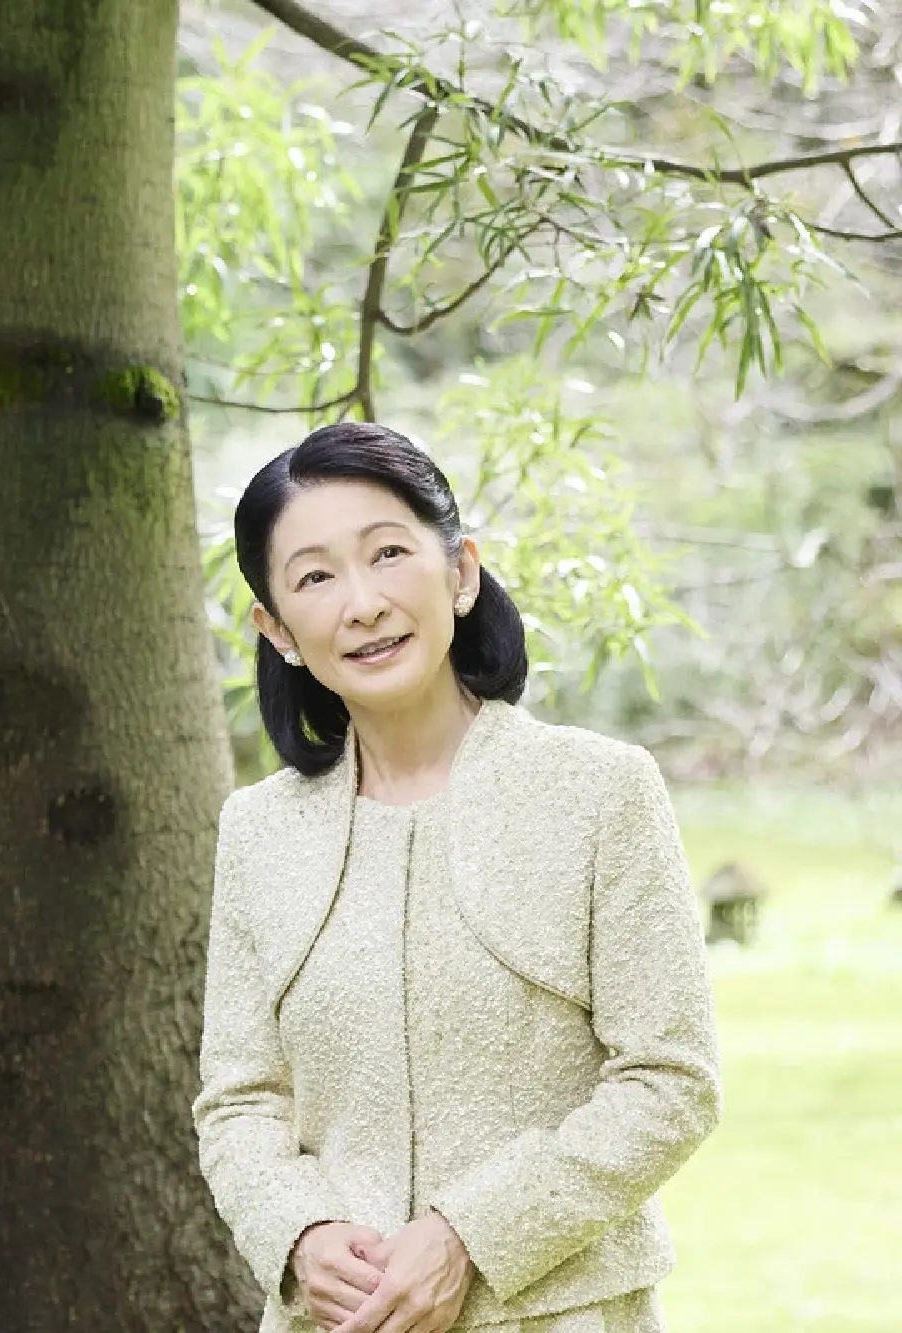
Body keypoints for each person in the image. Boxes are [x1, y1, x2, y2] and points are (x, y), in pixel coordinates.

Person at [193, 422, 720, 1333]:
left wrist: (470, 1234)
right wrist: (299, 1232)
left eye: (388, 553)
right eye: (315, 576)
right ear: (276, 629)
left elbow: (671, 1080)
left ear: (462, 571)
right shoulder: (257, 832)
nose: (361, 603)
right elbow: (239, 1100)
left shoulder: (601, 791)